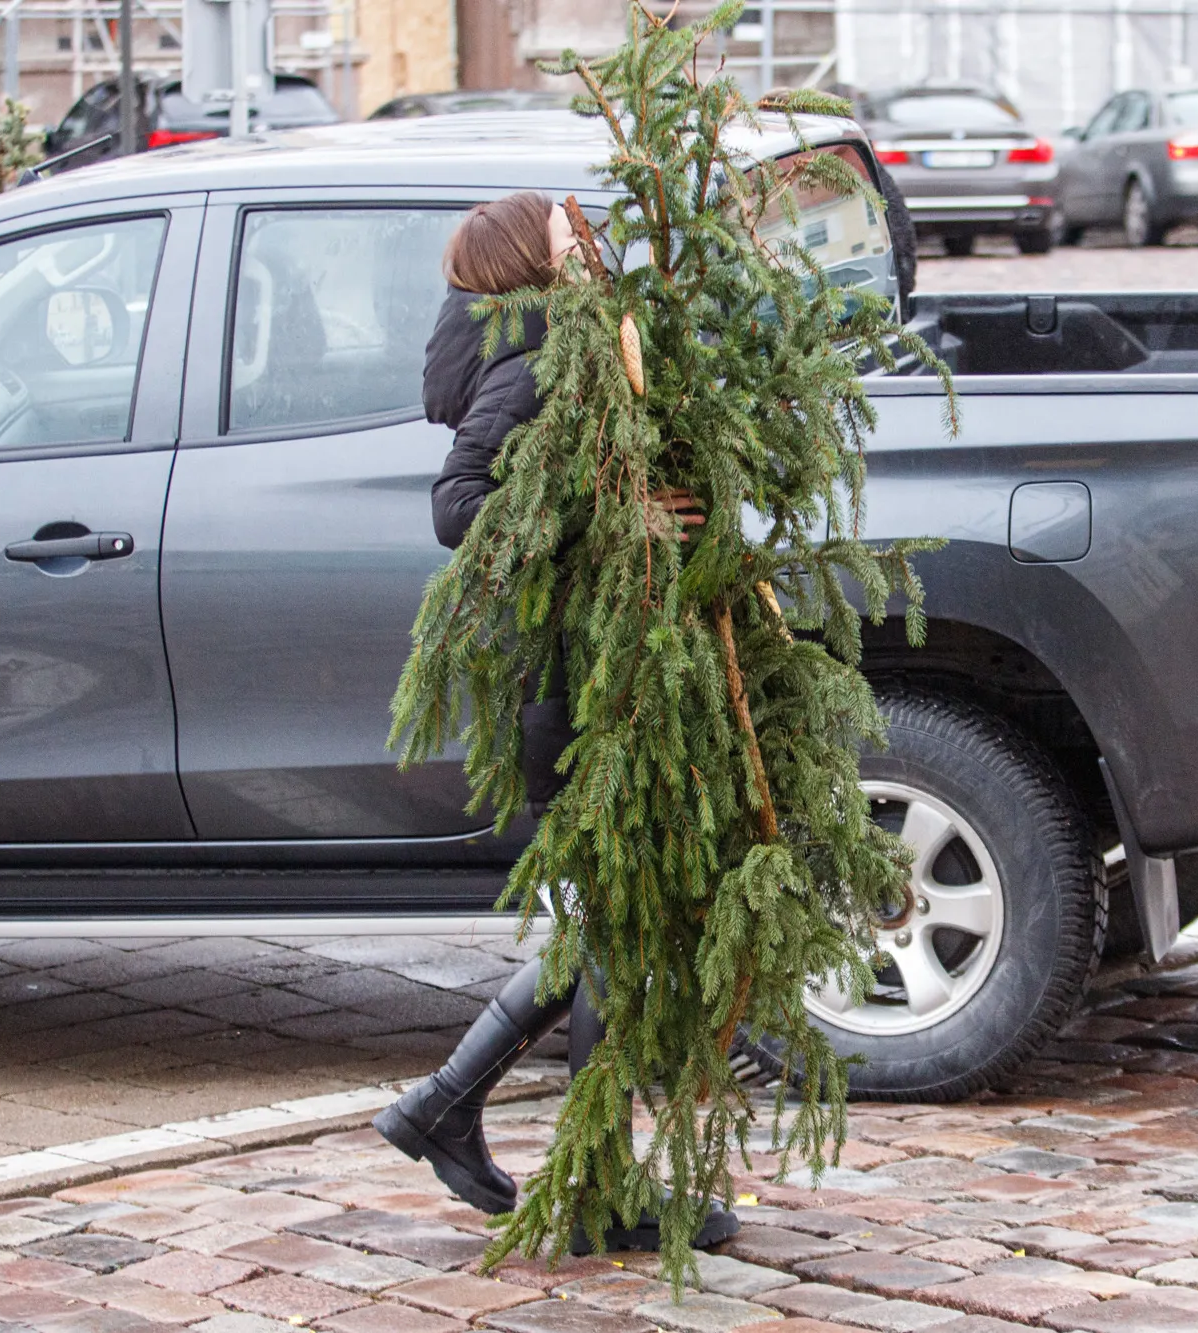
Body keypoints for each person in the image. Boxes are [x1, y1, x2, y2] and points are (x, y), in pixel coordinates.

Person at [375, 190, 734, 1253]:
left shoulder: (580, 355)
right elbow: (458, 504)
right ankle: (550, 1160)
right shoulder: (532, 366)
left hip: (603, 685)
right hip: (571, 696)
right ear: (530, 263)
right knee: (610, 933)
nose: (592, 240)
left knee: (609, 934)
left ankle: (465, 1117)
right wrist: (605, 520)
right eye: (570, 232)